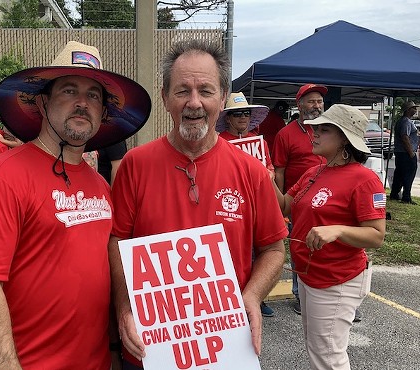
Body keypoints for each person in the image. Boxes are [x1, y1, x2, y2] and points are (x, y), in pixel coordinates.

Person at [0, 41, 151, 370]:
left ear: (103, 113)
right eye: (69, 90)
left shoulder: (101, 186)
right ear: (43, 103)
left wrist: (115, 352)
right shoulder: (1, 179)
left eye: (93, 95)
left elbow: (101, 275)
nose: (81, 103)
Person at [108, 39, 287, 369]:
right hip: (150, 346)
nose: (194, 103)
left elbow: (274, 249)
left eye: (205, 90)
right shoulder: (136, 165)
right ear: (165, 98)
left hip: (224, 348)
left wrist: (252, 295)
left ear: (221, 99)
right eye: (182, 91)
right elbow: (118, 240)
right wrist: (124, 307)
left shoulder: (251, 172)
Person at [273, 104, 386, 370]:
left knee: (328, 357)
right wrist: (265, 177)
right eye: (315, 128)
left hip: (337, 279)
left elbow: (376, 235)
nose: (314, 133)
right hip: (311, 274)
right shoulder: (315, 172)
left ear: (345, 139)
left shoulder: (364, 179)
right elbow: (286, 206)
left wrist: (337, 230)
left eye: (324, 129)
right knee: (319, 350)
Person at [217, 92, 276, 318]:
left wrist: (268, 175)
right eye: (237, 113)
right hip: (230, 207)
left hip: (257, 206)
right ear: (228, 118)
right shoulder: (220, 141)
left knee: (262, 252)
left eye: (246, 113)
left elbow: (270, 168)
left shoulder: (258, 141)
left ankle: (257, 299)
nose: (243, 117)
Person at [272, 83, 327, 315]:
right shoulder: (286, 134)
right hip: (298, 201)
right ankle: (300, 295)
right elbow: (279, 171)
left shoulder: (328, 130)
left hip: (328, 201)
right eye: (311, 101)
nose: (316, 105)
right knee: (300, 248)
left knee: (327, 248)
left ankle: (328, 294)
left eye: (319, 101)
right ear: (300, 104)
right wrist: (281, 208)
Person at [389, 101, 420, 204]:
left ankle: (394, 193)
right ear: (408, 110)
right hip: (405, 153)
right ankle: (406, 197)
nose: (415, 110)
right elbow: (405, 137)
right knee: (409, 174)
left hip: (400, 152)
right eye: (413, 108)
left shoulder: (401, 121)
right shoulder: (406, 122)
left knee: (399, 174)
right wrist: (411, 152)